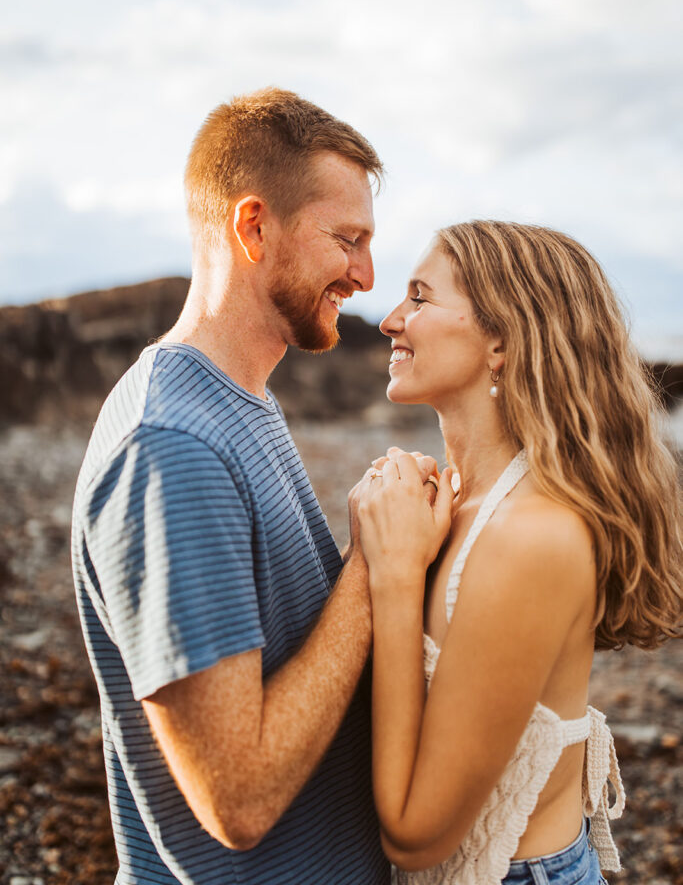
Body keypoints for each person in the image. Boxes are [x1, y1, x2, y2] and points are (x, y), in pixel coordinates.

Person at [71, 87, 399, 884]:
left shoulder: (239, 397)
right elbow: (238, 798)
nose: (364, 273)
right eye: (345, 239)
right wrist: (372, 568)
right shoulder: (170, 447)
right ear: (253, 226)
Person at [352, 220, 682, 885]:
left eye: (418, 297)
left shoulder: (529, 537)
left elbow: (414, 836)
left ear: (499, 340)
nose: (390, 319)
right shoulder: (459, 507)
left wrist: (390, 577)